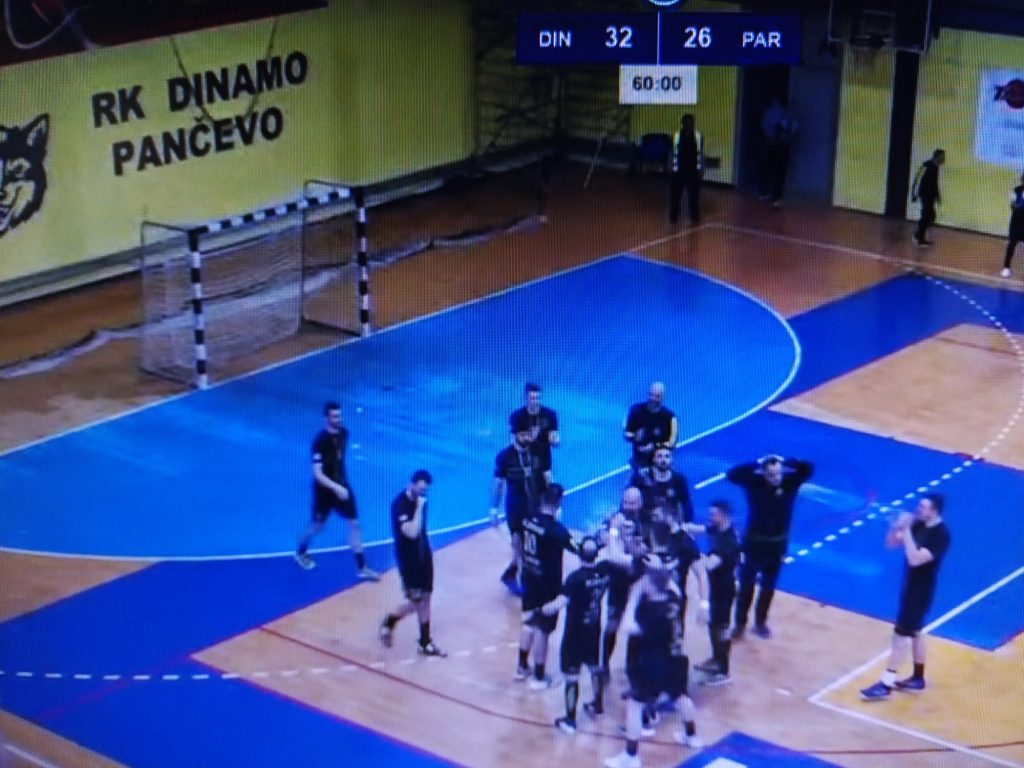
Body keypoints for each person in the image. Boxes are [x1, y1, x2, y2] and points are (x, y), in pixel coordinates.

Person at [604, 552, 702, 768]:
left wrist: (634, 596)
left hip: (654, 663)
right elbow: (666, 580)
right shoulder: (674, 597)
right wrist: (657, 571)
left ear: (650, 586)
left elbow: (627, 626)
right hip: (677, 658)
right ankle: (692, 736)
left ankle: (631, 756)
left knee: (635, 704)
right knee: (680, 696)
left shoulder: (650, 614)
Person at [861, 494, 951, 701]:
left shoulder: (941, 535)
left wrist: (908, 530)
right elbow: (890, 543)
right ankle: (918, 678)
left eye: (923, 507)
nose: (918, 509)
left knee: (900, 635)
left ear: (934, 511)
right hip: (910, 586)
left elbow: (915, 559)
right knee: (916, 632)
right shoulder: (919, 525)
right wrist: (898, 527)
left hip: (920, 591)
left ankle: (886, 683)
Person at [531, 536, 613, 733]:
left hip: (574, 634)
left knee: (572, 676)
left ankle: (570, 720)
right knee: (594, 668)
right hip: (593, 631)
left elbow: (558, 605)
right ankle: (598, 705)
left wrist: (539, 610)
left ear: (579, 554)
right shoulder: (604, 572)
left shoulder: (575, 580)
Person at [728, 454, 814, 640]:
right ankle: (740, 624)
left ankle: (760, 623)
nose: (776, 478)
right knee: (746, 586)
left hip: (777, 546)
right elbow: (733, 474)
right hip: (754, 545)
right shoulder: (754, 483)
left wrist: (788, 461)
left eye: (778, 474)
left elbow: (807, 469)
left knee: (768, 587)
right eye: (771, 474)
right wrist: (757, 463)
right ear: (764, 474)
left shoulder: (789, 483)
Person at [295, 401, 378, 579]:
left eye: (339, 416)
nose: (337, 419)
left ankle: (361, 567)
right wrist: (336, 487)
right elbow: (317, 474)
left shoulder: (344, 434)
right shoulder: (319, 442)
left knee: (355, 525)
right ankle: (301, 551)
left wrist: (341, 485)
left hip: (342, 486)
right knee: (317, 526)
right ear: (326, 418)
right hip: (324, 492)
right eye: (334, 417)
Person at [379, 470, 446, 656]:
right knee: (416, 601)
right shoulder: (400, 505)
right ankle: (390, 620)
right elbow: (411, 532)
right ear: (412, 484)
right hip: (408, 561)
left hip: (423, 555)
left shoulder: (422, 501)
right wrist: (418, 508)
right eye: (420, 489)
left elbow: (421, 530)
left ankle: (425, 641)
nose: (422, 494)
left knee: (427, 596)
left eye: (425, 491)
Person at [517, 484, 577, 689]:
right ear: (559, 502)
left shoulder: (527, 520)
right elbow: (578, 549)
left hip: (529, 577)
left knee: (528, 622)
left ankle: (521, 666)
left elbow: (518, 542)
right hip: (547, 586)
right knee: (543, 629)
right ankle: (539, 676)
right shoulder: (556, 531)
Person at [491, 412, 549, 595]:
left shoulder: (538, 451)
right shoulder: (505, 457)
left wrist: (551, 503)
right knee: (519, 544)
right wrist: (494, 509)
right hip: (516, 508)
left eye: (528, 434)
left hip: (536, 505)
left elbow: (547, 477)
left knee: (535, 543)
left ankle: (512, 572)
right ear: (515, 434)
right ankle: (522, 580)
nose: (527, 438)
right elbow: (498, 484)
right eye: (523, 435)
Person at [688, 500, 741, 685]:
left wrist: (691, 555)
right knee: (713, 625)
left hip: (723, 591)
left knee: (721, 628)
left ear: (723, 516)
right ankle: (716, 659)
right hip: (715, 588)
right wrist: (681, 529)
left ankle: (723, 670)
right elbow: (699, 529)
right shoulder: (719, 529)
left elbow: (709, 565)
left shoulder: (727, 542)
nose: (710, 518)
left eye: (713, 515)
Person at [600, 487, 647, 682]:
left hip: (639, 582)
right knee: (612, 623)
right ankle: (604, 664)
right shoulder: (614, 519)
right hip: (618, 582)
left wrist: (626, 540)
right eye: (626, 502)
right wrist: (613, 532)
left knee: (636, 625)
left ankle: (632, 666)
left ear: (640, 503)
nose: (629, 506)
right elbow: (605, 543)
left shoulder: (646, 522)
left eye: (633, 503)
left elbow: (643, 552)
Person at [630, 445, 695, 525]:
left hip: (673, 524)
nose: (663, 460)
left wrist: (685, 523)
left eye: (667, 456)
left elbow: (685, 503)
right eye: (659, 456)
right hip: (648, 523)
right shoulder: (641, 480)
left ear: (671, 459)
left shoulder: (679, 480)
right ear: (654, 459)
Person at [509, 382, 560, 483]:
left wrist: (555, 440)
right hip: (523, 459)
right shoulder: (517, 416)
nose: (535, 402)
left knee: (549, 483)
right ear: (526, 398)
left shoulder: (550, 415)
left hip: (544, 460)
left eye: (538, 398)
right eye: (532, 398)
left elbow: (555, 437)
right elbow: (513, 441)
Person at [623, 381, 678, 470]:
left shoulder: (670, 417)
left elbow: (672, 443)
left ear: (662, 398)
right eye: (651, 395)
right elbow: (627, 434)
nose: (653, 398)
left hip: (660, 465)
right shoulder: (635, 410)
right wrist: (635, 437)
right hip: (639, 462)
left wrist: (654, 447)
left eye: (657, 396)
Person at [760, 96, 798, 208]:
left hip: (772, 144)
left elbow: (764, 127)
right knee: (778, 172)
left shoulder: (770, 113)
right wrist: (788, 136)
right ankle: (776, 197)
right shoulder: (787, 114)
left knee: (768, 169)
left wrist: (771, 136)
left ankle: (765, 193)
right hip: (780, 145)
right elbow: (795, 128)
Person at [669, 113, 704, 225]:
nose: (689, 125)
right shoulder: (676, 136)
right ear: (683, 124)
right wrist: (670, 166)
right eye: (687, 123)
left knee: (694, 196)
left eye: (691, 122)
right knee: (675, 195)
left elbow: (700, 153)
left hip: (693, 171)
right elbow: (672, 152)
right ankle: (673, 217)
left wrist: (701, 168)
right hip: (678, 170)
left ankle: (694, 217)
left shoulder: (698, 137)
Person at [911, 149, 945, 247]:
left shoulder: (936, 167)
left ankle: (919, 233)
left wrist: (937, 196)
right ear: (937, 157)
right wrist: (914, 194)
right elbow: (917, 179)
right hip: (924, 195)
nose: (944, 159)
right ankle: (918, 237)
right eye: (942, 157)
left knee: (931, 216)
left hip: (930, 196)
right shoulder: (927, 165)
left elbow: (934, 183)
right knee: (926, 216)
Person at [1002, 173, 1024, 278]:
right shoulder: (1016, 190)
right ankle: (1006, 268)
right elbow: (1012, 205)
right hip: (1016, 222)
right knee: (1012, 244)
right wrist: (1017, 206)